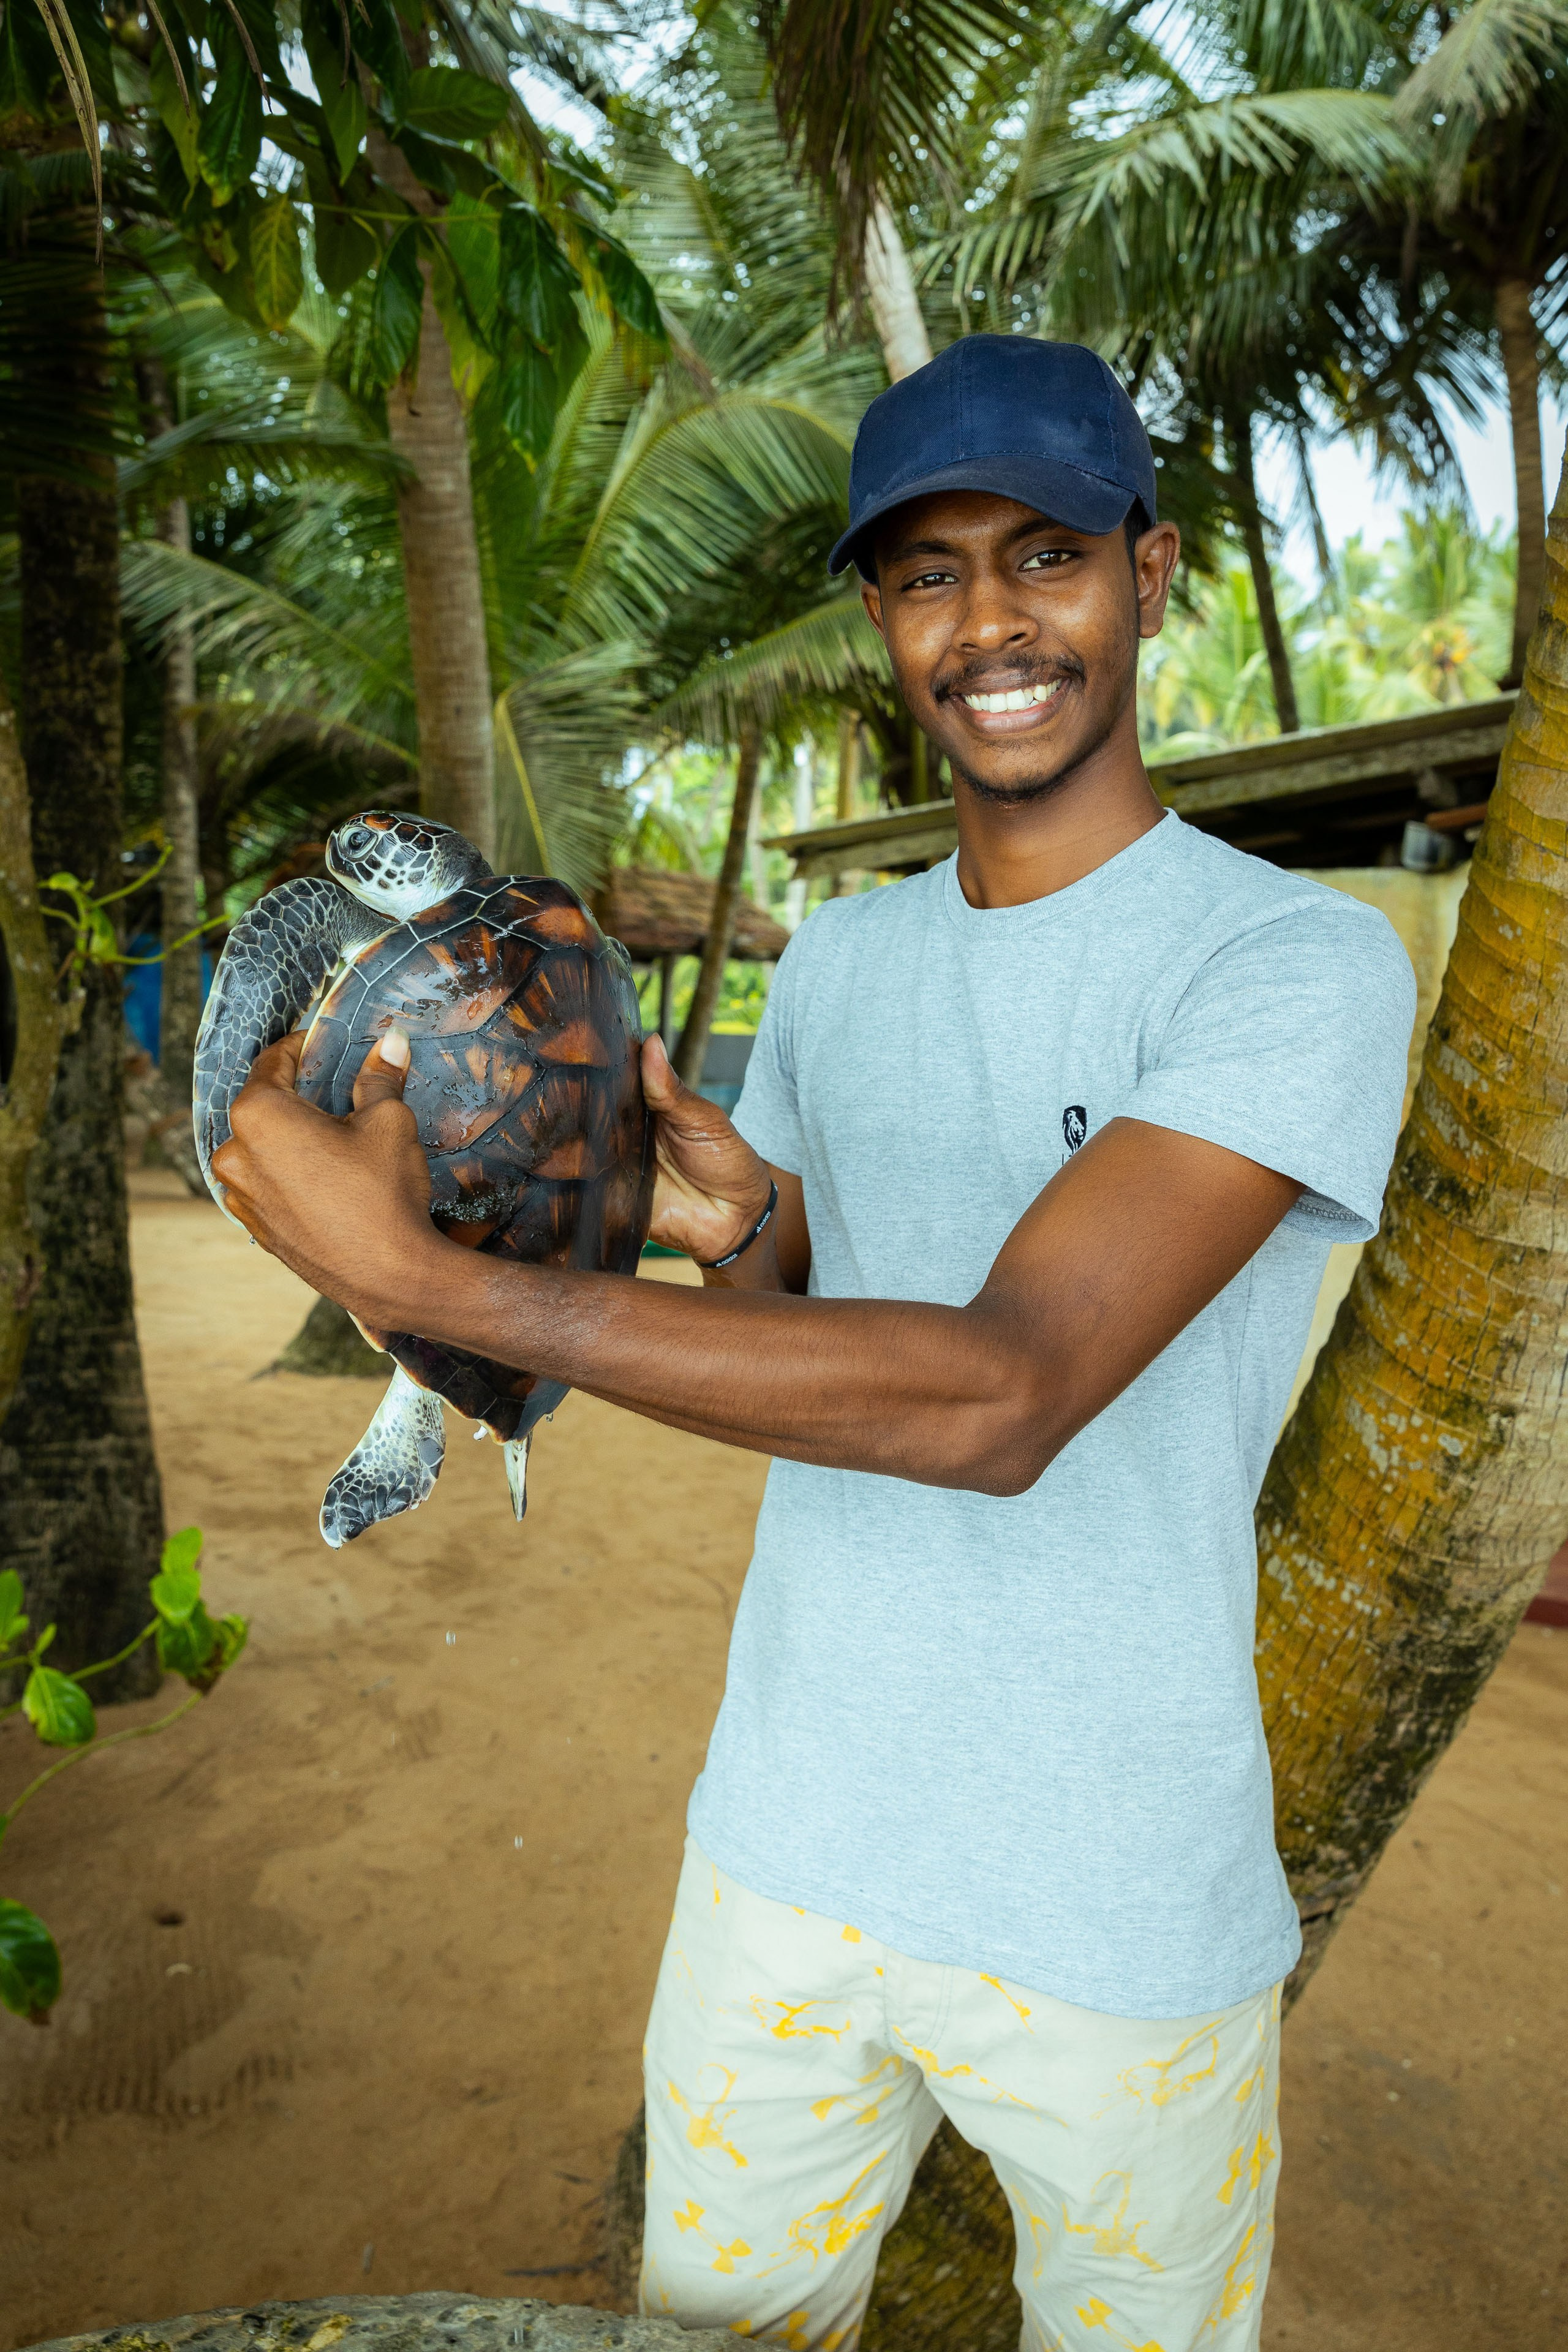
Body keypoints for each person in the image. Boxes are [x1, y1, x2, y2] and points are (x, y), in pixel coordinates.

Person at [213, 334, 1415, 2351]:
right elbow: (797, 1335)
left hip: (1116, 1904)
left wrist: (447, 1294)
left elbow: (1009, 1391)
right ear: (878, 616)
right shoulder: (845, 958)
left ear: (1154, 567)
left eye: (1045, 556)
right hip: (789, 1844)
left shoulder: (1289, 961)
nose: (990, 624)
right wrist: (739, 1222)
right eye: (930, 575)